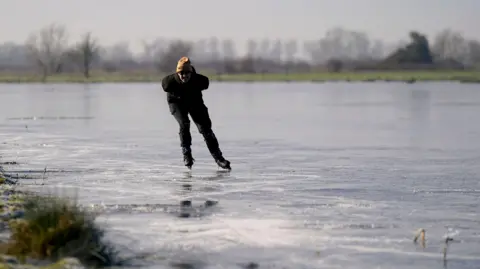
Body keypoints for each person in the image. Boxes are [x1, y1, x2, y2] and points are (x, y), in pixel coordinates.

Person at [161, 57, 231, 170]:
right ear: (177, 73)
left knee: (206, 130)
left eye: (187, 74)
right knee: (184, 124)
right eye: (181, 74)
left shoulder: (200, 80)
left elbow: (205, 83)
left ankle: (219, 159)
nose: (184, 77)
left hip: (195, 102)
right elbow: (166, 87)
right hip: (177, 102)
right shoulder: (168, 82)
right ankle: (187, 154)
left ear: (192, 73)